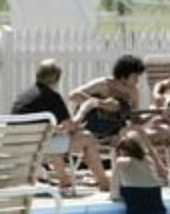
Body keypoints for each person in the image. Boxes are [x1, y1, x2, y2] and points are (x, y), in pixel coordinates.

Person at [11, 59, 110, 192]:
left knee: (54, 136)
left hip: (18, 143)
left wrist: (62, 129)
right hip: (40, 145)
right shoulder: (52, 97)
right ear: (57, 78)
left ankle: (64, 179)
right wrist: (84, 108)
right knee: (87, 138)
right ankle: (104, 183)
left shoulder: (24, 96)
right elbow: (72, 125)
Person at [68, 54, 147, 143]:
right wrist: (101, 104)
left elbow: (135, 117)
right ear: (124, 76)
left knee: (136, 134)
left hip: (115, 132)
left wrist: (152, 116)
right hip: (90, 126)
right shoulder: (104, 84)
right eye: (135, 77)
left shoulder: (133, 92)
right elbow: (73, 95)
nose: (137, 81)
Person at [110, 131, 170, 214]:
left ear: (122, 151)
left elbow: (114, 194)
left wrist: (114, 158)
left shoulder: (121, 161)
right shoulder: (148, 160)